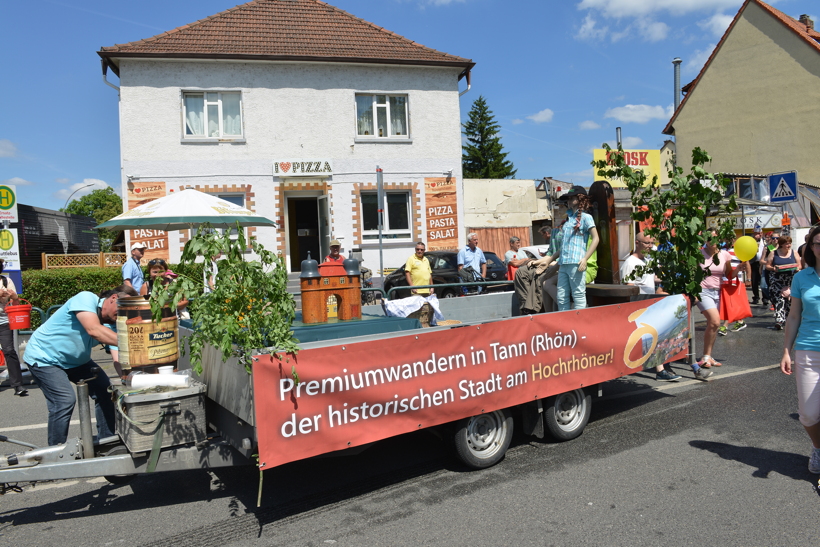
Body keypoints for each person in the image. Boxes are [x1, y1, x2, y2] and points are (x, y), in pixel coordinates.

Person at [24, 284, 139, 446]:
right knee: (64, 400)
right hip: (44, 357)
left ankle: (106, 442)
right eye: (123, 308)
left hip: (76, 361)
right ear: (114, 298)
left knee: (107, 391)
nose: (124, 314)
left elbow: (118, 358)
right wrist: (135, 342)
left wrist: (130, 381)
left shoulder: (113, 323)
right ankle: (56, 453)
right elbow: (93, 329)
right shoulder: (86, 298)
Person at [780, 224, 820, 475]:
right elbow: (794, 316)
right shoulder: (801, 277)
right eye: (818, 243)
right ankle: (818, 447)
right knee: (807, 414)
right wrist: (786, 350)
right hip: (808, 351)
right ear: (811, 247)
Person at [620, 233, 680, 382]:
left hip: (650, 304)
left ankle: (662, 367)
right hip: (638, 306)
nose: (650, 246)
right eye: (647, 243)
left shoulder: (647, 260)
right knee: (654, 335)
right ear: (637, 243)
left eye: (652, 243)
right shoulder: (630, 263)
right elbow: (629, 288)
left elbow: (651, 279)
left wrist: (670, 279)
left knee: (658, 334)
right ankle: (660, 370)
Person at [694, 233, 745, 378]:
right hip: (702, 291)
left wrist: (738, 268)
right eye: (709, 238)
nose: (712, 241)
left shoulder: (724, 255)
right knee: (715, 321)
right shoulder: (699, 254)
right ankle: (704, 357)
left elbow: (729, 274)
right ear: (705, 240)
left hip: (719, 292)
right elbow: (692, 273)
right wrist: (694, 292)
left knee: (714, 325)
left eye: (715, 238)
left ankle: (707, 356)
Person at [547, 186, 599, 311]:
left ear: (580, 198)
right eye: (568, 199)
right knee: (561, 295)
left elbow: (596, 238)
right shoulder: (569, 220)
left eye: (572, 198)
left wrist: (585, 258)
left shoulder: (586, 217)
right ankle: (565, 321)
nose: (569, 201)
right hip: (564, 262)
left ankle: (580, 322)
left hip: (576, 262)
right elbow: (564, 245)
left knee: (578, 294)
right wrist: (552, 260)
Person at [0, 260, 27, 396]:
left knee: (9, 351)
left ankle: (18, 385)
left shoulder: (6, 281)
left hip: (4, 321)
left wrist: (15, 297)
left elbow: (15, 303)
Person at [766, 235, 800, 330]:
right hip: (777, 280)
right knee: (779, 299)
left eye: (789, 243)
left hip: (791, 280)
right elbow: (767, 266)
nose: (788, 245)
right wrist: (773, 268)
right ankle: (779, 320)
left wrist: (797, 268)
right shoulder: (773, 253)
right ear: (781, 244)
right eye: (786, 243)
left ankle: (790, 319)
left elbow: (800, 265)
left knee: (790, 301)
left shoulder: (794, 253)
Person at [749, 230, 764, 305]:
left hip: (763, 263)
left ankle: (765, 298)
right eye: (756, 233)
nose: (758, 235)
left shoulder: (765, 241)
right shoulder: (751, 241)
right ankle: (756, 297)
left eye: (759, 233)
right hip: (754, 263)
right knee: (754, 281)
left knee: (763, 281)